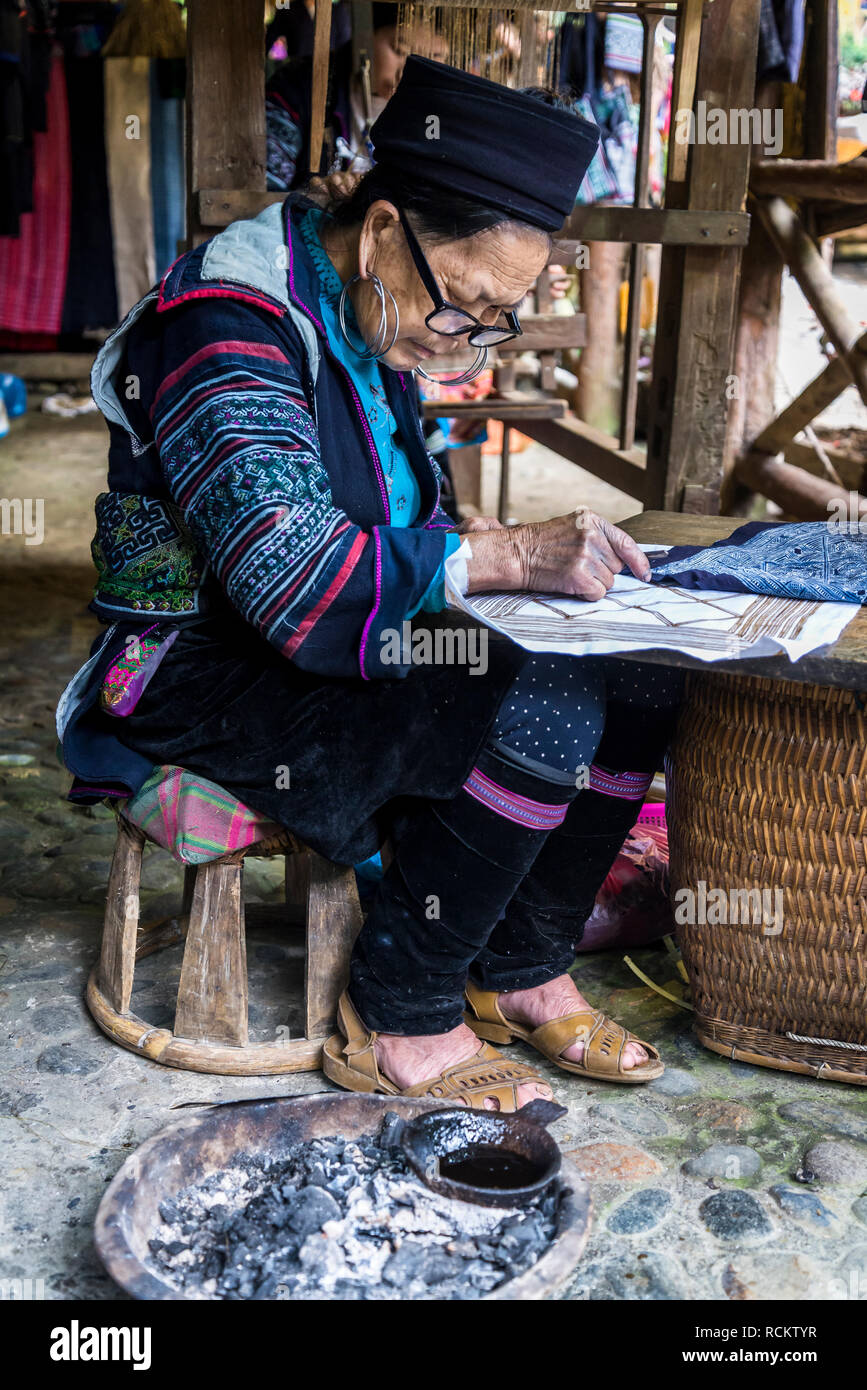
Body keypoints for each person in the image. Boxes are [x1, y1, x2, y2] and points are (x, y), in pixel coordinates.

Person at [58, 57, 681, 1111]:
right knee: (537, 693)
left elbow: (375, 505)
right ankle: (406, 1003)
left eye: (498, 318)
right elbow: (291, 575)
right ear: (386, 230)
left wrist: (453, 531)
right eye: (467, 309)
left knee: (639, 673)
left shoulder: (370, 301)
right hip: (195, 670)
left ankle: (522, 966)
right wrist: (500, 558)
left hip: (316, 641)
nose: (469, 341)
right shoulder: (228, 319)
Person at [266, 2, 448, 191]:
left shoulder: (442, 114)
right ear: (364, 40)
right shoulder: (301, 88)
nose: (412, 71)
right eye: (399, 50)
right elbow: (267, 187)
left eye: (435, 55)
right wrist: (314, 196)